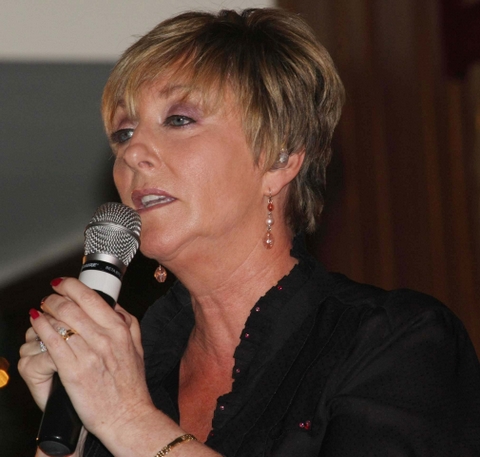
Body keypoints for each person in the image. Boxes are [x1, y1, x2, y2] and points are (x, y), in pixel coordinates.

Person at [18, 8, 480, 457]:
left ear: (279, 159)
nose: (132, 151)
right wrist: (74, 435)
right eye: (123, 133)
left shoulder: (395, 340)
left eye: (179, 120)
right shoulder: (137, 366)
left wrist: (126, 420)